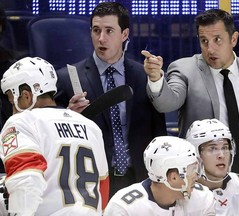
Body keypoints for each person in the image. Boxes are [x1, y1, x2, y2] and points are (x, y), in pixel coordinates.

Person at [141, 8, 239, 208]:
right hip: (201, 185)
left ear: (233, 39)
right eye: (204, 41)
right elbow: (167, 102)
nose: (210, 49)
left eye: (217, 40)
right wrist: (156, 79)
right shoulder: (185, 69)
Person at [55, 2, 167, 198]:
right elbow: (52, 132)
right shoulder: (67, 78)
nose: (101, 38)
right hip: (90, 182)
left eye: (109, 31)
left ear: (124, 35)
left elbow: (159, 132)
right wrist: (67, 115)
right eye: (96, 30)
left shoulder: (144, 76)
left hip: (140, 179)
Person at [0, 56, 109, 215]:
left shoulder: (22, 121)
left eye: (12, 101)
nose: (13, 109)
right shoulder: (91, 127)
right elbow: (103, 187)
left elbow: (26, 179)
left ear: (26, 96)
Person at [104, 136, 216, 216]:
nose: (196, 176)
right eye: (192, 169)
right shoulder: (124, 207)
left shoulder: (203, 198)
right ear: (173, 177)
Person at [186, 118, 239, 215]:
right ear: (196, 154)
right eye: (212, 148)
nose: (221, 155)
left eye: (225, 147)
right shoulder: (182, 197)